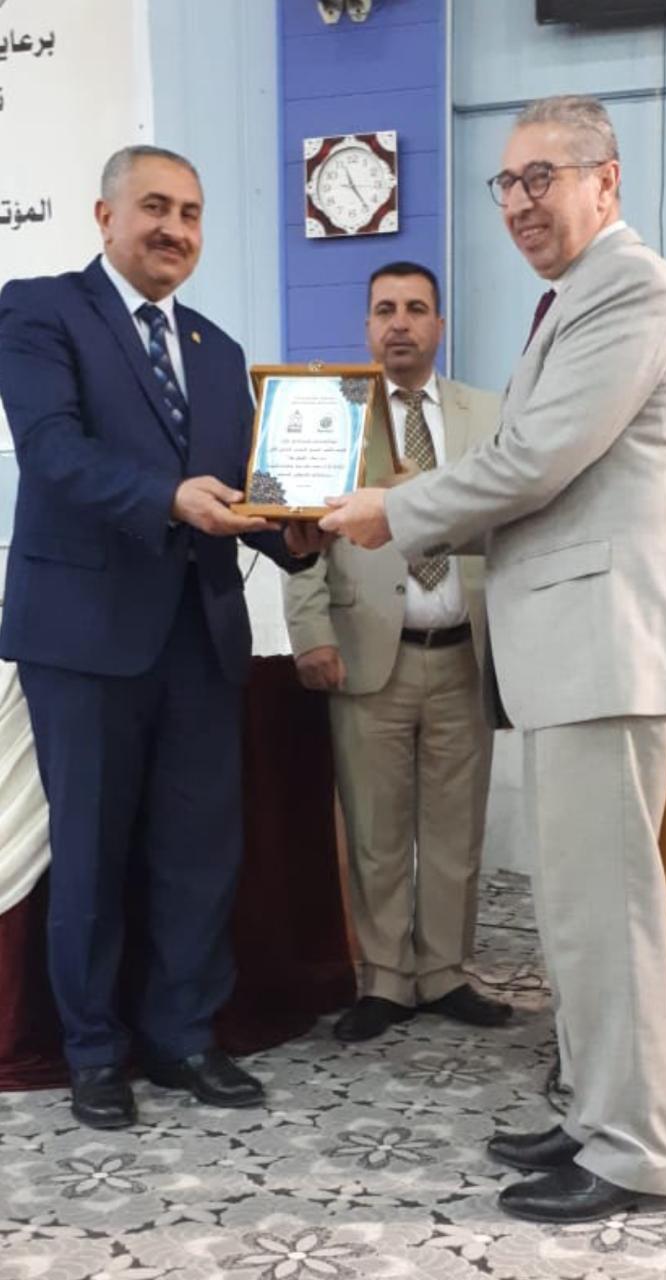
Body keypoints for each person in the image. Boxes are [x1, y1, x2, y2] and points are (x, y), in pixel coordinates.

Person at [319, 97, 666, 1223]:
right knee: (578, 917)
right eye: (508, 183)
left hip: (607, 647)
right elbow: (534, 472)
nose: (521, 202)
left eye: (545, 176)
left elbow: (534, 460)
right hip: (575, 652)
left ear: (608, 180)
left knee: (609, 916)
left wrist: (393, 512)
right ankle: (595, 1111)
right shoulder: (577, 298)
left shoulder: (632, 291)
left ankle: (635, 1154)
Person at [0, 145, 325, 1130]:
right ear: (105, 216)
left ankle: (183, 1035)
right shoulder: (40, 311)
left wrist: (293, 533)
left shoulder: (219, 352)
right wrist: (169, 497)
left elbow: (244, 491)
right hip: (85, 636)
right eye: (153, 207)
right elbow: (53, 453)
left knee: (198, 851)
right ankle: (94, 1050)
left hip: (200, 638)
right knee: (92, 852)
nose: (174, 228)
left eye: (190, 212)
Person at [284, 262, 511, 1043]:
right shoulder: (333, 415)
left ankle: (443, 972)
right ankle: (384, 979)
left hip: (463, 653)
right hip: (366, 652)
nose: (401, 323)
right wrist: (310, 632)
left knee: (455, 826)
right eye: (385, 310)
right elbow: (300, 529)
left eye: (417, 309)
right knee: (375, 831)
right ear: (367, 327)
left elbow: (511, 518)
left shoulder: (489, 414)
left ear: (440, 325)